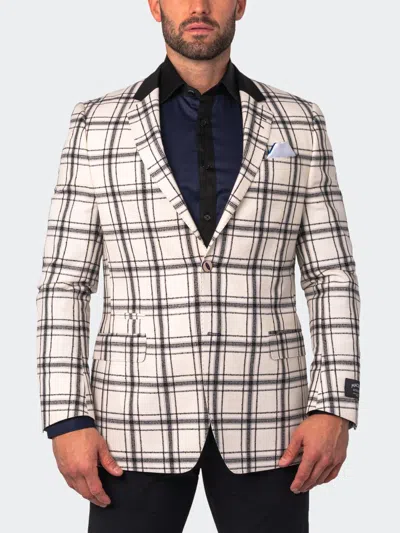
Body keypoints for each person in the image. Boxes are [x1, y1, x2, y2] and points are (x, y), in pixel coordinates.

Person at [36, 1, 361, 531]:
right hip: (131, 422)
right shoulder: (96, 122)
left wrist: (334, 404)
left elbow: (332, 276)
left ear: (240, 4)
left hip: (272, 422)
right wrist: (66, 417)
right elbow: (64, 282)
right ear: (154, 5)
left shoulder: (300, 120)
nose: (199, 6)